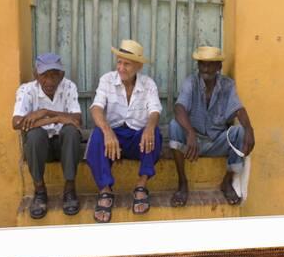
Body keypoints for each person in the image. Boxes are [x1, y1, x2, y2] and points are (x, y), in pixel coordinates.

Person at [86, 40, 163, 223]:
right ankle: (105, 190)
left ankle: (141, 185)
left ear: (138, 66)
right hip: (114, 137)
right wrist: (107, 131)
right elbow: (96, 108)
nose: (121, 67)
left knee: (155, 134)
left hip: (137, 137)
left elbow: (155, 110)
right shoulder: (107, 80)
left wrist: (150, 127)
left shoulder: (148, 84)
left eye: (126, 64)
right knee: (97, 136)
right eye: (119, 62)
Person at [168, 46, 255, 206]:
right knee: (174, 125)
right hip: (192, 144)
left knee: (241, 132)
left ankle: (227, 182)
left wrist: (249, 129)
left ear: (219, 67)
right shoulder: (191, 82)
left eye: (210, 64)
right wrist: (190, 133)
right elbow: (179, 108)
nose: (205, 68)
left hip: (216, 141)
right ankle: (182, 183)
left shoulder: (227, 85)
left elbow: (239, 109)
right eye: (202, 64)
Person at [12, 53, 82, 219]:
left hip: (63, 146)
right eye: (44, 75)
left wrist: (46, 113)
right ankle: (40, 190)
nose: (50, 81)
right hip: (41, 149)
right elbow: (16, 123)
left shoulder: (69, 86)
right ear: (36, 75)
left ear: (61, 75)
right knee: (35, 135)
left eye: (54, 75)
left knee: (71, 131)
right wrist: (59, 118)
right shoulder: (26, 90)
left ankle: (70, 189)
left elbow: (77, 120)